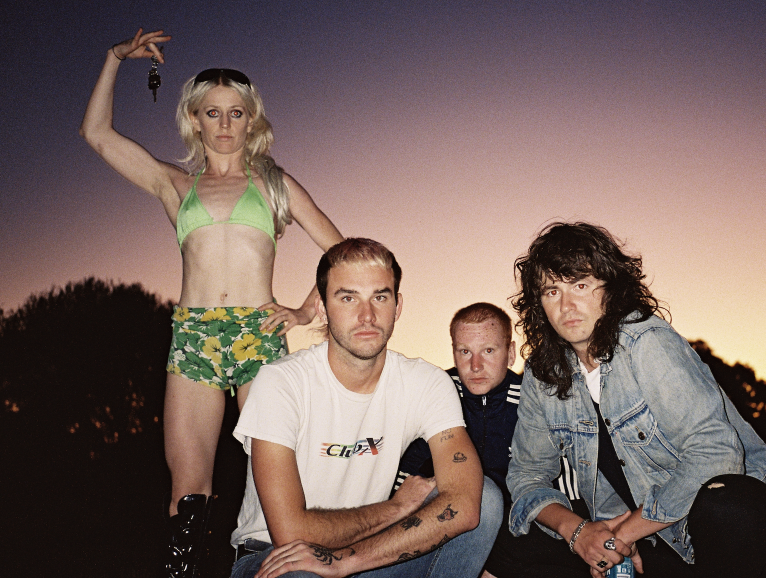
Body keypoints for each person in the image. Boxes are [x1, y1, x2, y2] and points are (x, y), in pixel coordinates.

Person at [80, 29, 344, 576]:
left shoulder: (275, 185)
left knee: (278, 477)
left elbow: (342, 254)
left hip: (258, 335)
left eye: (236, 113)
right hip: (193, 337)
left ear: (252, 121)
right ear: (194, 120)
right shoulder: (174, 185)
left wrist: (303, 311)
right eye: (212, 113)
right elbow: (97, 134)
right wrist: (114, 58)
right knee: (188, 490)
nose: (225, 124)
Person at [507, 222, 766, 577]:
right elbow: (526, 476)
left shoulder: (647, 343)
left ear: (611, 290)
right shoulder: (543, 373)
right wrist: (579, 533)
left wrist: (624, 534)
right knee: (509, 538)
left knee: (725, 503)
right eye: (551, 291)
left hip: (740, 532)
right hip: (648, 540)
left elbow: (716, 454)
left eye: (580, 285)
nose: (566, 305)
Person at [229, 238, 502, 578]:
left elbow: (465, 503)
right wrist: (395, 508)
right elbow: (290, 533)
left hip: (367, 555)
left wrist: (347, 562)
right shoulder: (281, 382)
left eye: (380, 297)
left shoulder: (426, 383)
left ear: (397, 307)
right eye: (348, 298)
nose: (367, 315)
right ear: (322, 308)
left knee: (486, 499)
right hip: (274, 557)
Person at [396, 303, 589, 578]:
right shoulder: (438, 395)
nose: (475, 366)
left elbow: (566, 487)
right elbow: (405, 470)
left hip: (519, 530)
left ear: (510, 353)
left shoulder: (532, 401)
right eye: (465, 352)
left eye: (488, 351)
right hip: (447, 522)